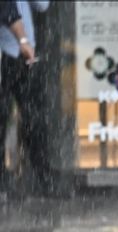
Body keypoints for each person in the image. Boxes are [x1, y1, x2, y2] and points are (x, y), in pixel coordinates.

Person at [0, 1, 50, 198]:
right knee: (4, 117)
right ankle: (5, 182)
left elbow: (42, 5)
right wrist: (21, 40)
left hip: (25, 53)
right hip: (8, 51)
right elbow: (6, 9)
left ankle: (43, 177)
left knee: (34, 116)